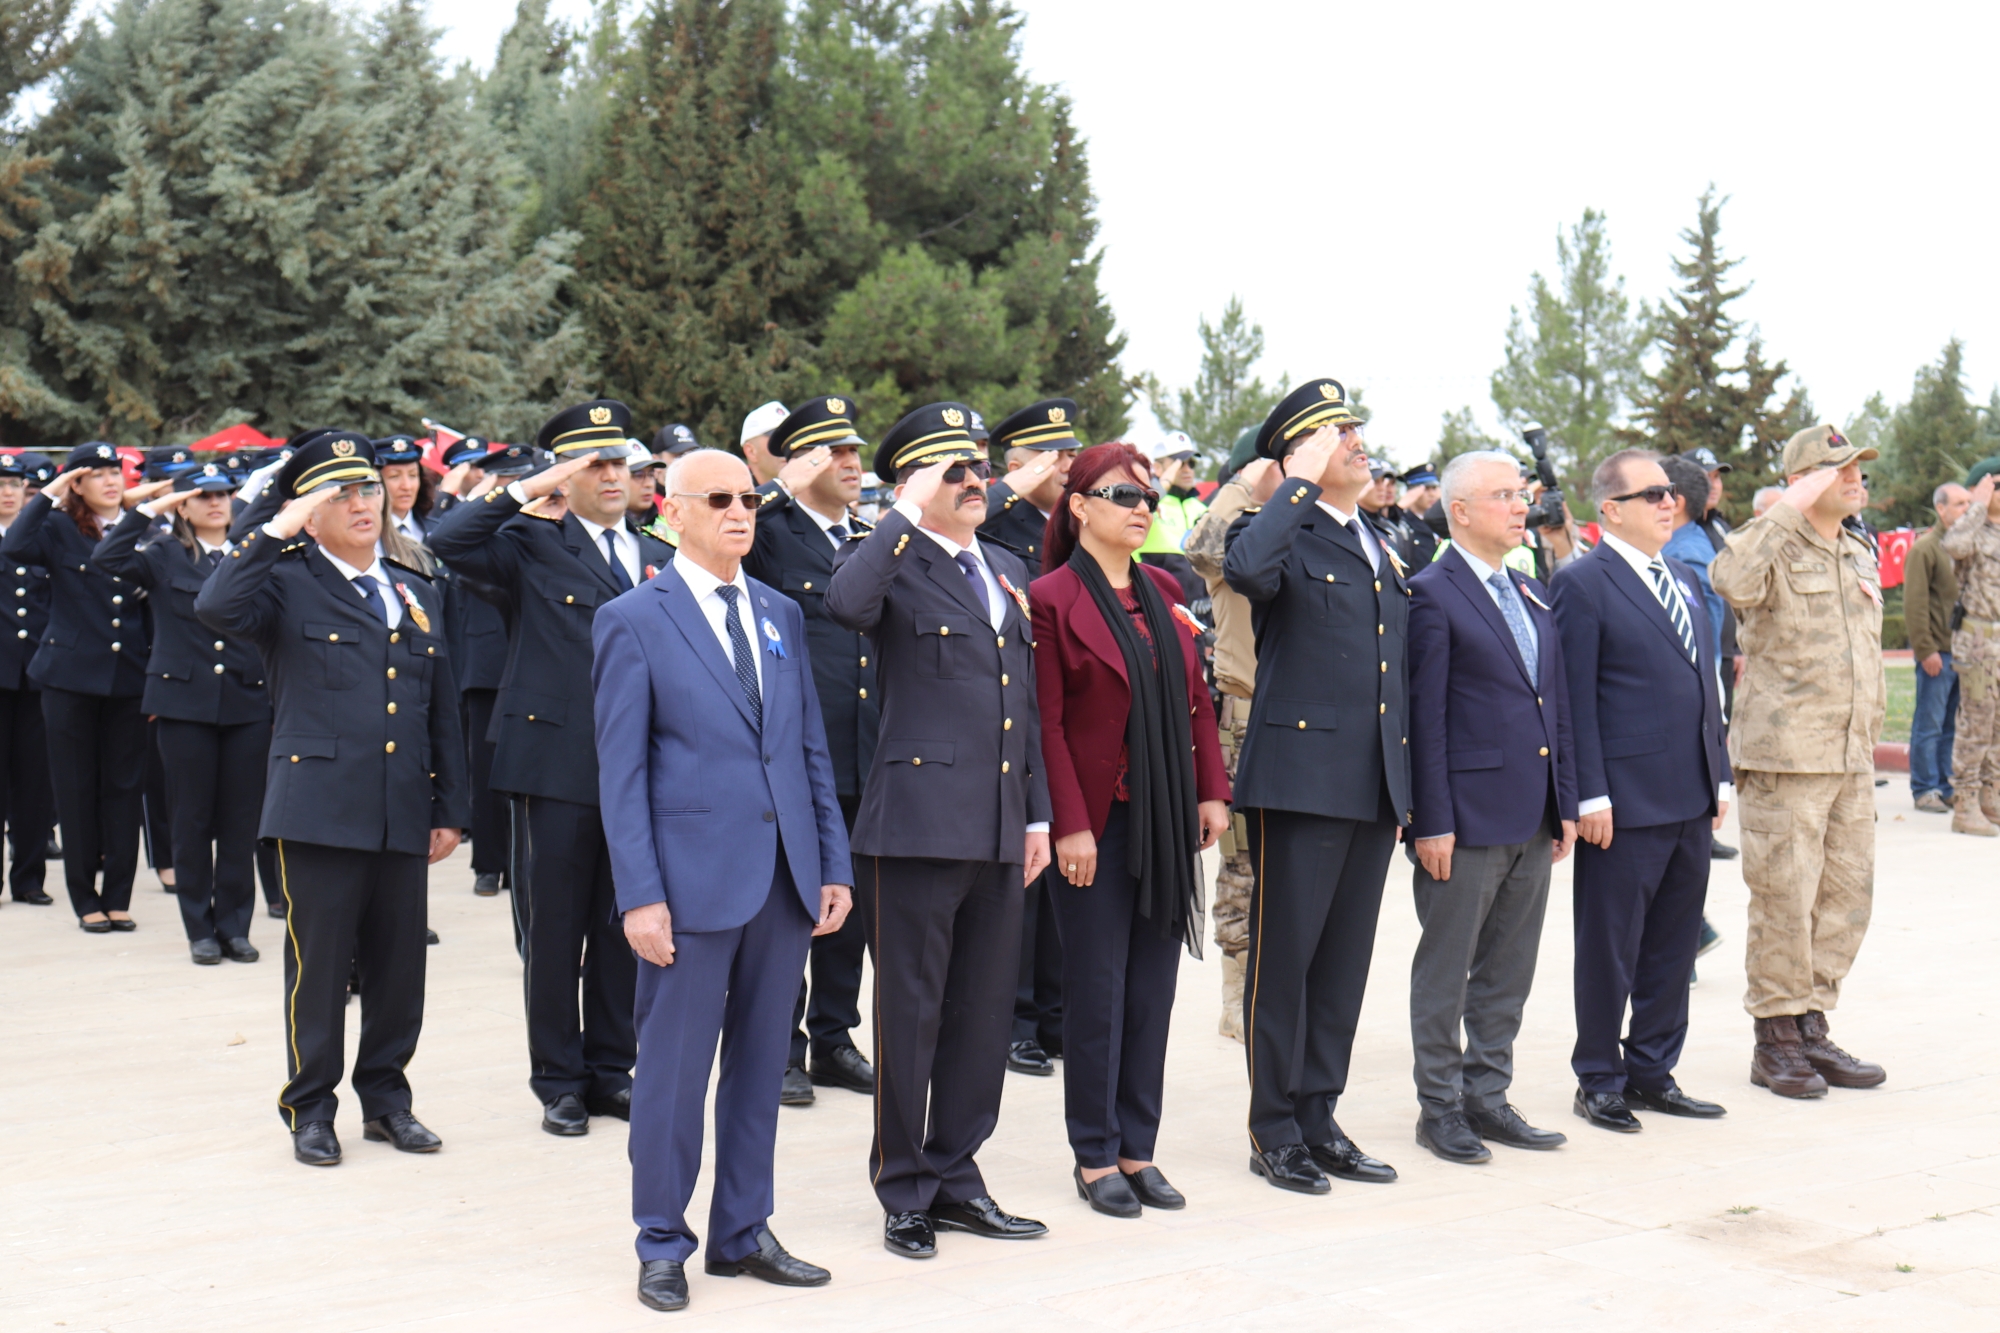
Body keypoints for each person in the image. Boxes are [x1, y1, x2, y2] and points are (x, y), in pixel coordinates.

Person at [593, 447, 848, 1314]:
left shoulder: (778, 609)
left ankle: (744, 1229)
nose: (741, 512)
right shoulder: (633, 619)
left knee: (760, 1067)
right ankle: (662, 1239)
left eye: (748, 499)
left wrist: (830, 862)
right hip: (689, 887)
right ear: (673, 511)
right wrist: (640, 894)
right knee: (670, 1073)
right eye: (720, 499)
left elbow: (808, 747)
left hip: (781, 882)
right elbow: (620, 774)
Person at [194, 431, 468, 1165]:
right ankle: (310, 1107)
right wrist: (275, 527)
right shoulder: (282, 580)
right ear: (307, 513)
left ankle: (387, 1099)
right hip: (318, 806)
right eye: (337, 493)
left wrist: (451, 805)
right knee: (319, 970)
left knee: (398, 966)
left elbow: (440, 704)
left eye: (368, 488)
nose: (360, 503)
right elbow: (216, 606)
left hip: (402, 806)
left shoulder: (413, 588)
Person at [824, 402, 1052, 1260]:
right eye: (950, 468)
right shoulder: (883, 555)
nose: (973, 480)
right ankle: (905, 1186)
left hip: (997, 825)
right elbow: (847, 605)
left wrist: (1036, 811)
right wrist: (904, 512)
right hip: (916, 825)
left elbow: (1020, 704)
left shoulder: (1000, 564)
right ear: (912, 481)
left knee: (983, 1013)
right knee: (911, 1014)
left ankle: (959, 1176)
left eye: (978, 465)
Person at [430, 401, 672, 1136]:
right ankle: (559, 1079)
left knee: (623, 923)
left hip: (645, 767)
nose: (609, 474)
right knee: (555, 927)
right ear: (561, 473)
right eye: (591, 462)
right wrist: (528, 488)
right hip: (556, 762)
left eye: (617, 460)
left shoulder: (654, 544)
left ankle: (610, 1069)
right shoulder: (527, 541)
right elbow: (447, 538)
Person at [1032, 442, 1231, 1218]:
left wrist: (1210, 790)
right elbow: (1045, 724)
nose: (1142, 506)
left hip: (1166, 815)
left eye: (1147, 494)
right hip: (1096, 823)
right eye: (1122, 494)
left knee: (1152, 989)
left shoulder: (1164, 585)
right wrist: (1070, 824)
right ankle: (1092, 1153)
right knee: (1097, 991)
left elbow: (1196, 701)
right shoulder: (1048, 596)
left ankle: (1137, 1147)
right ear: (1079, 506)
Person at [1221, 378, 1407, 1195]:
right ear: (1300, 451)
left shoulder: (1376, 537)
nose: (1357, 443)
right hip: (1301, 779)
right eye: (1338, 433)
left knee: (1343, 962)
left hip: (1372, 780)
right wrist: (1294, 479)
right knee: (1285, 958)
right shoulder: (1281, 530)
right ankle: (1274, 1127)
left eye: (1356, 431)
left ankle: (1320, 1113)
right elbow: (1245, 570)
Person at [1552, 449, 1733, 1132]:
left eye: (1670, 493)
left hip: (1688, 792)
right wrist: (1588, 794)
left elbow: (1705, 688)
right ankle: (1599, 1076)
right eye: (1650, 492)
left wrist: (1717, 771)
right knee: (1611, 945)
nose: (1668, 502)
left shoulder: (1685, 577)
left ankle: (1653, 1069)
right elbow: (1573, 700)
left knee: (1673, 941)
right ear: (1610, 509)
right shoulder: (1584, 583)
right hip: (1621, 803)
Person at [1405, 451, 1577, 1163]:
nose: (1520, 504)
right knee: (1449, 968)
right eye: (1503, 494)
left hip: (1532, 812)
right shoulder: (1431, 593)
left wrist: (1564, 799)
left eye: (1522, 492)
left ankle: (1489, 1094)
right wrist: (1431, 819)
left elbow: (1555, 704)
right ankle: (1439, 1105)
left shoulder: (1531, 590)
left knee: (1510, 966)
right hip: (1466, 816)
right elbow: (1424, 719)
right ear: (1461, 510)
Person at [1711, 424, 1887, 1098]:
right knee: (1786, 897)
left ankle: (1812, 1022)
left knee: (1845, 896)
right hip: (1787, 755)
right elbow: (1729, 577)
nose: (1856, 479)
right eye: (1840, 469)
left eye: (1859, 469)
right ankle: (1776, 1037)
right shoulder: (1772, 544)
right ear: (1806, 479)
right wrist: (1788, 504)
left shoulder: (1854, 549)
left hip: (1847, 755)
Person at [745, 396, 879, 1106]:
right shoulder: (768, 529)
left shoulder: (868, 535)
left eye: (855, 453)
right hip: (792, 749)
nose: (852, 465)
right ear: (798, 463)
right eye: (835, 454)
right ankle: (779, 1045)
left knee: (845, 906)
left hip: (860, 749)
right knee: (791, 907)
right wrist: (776, 487)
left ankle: (833, 1037)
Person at [92, 463, 270, 965]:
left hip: (247, 701)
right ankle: (200, 927)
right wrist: (149, 507)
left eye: (223, 494)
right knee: (191, 819)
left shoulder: (249, 553)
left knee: (240, 822)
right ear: (184, 506)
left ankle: (235, 926)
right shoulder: (164, 554)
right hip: (183, 703)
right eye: (202, 495)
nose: (216, 502)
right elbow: (107, 556)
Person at [1, 443, 151, 932]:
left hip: (128, 676)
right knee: (75, 788)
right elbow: (14, 545)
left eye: (116, 472)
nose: (111, 481)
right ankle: (85, 897)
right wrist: (50, 491)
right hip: (68, 679)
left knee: (124, 788)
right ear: (78, 485)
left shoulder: (142, 528)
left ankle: (119, 895)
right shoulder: (59, 528)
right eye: (97, 474)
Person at [979, 400, 1075, 1077]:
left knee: (1064, 873)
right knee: (1022, 878)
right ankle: (1012, 1019)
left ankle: (1053, 1012)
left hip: (1064, 709)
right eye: (1054, 455)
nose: (1069, 466)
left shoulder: (1067, 526)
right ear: (1016, 465)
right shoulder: (994, 519)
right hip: (1011, 712)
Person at [1183, 434, 1278, 1041]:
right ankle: (1238, 996)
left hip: (1306, 722)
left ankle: (1277, 993)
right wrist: (1246, 482)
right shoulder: (1235, 539)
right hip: (1245, 717)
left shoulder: (1294, 531)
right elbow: (1198, 544)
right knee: (1244, 862)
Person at [432, 435, 513, 898]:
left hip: (520, 659)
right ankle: (487, 862)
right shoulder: (472, 522)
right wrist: (463, 496)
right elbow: (443, 542)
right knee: (482, 769)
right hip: (481, 663)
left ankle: (509, 854)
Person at [0, 453, 53, 906]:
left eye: (15, 484)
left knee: (35, 781)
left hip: (36, 675)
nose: (7, 491)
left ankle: (29, 877)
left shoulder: (41, 538)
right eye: (0, 484)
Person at [1905, 482, 1970, 814]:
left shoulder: (1964, 547)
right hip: (1938, 653)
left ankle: (1944, 785)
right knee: (1928, 723)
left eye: (1969, 503)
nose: (1966, 509)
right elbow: (1915, 604)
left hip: (1964, 652)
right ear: (1941, 509)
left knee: (1951, 724)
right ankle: (1924, 787)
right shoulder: (1926, 549)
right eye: (1959, 503)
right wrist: (1925, 649)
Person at [374, 435, 435, 545]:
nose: (407, 486)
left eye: (413, 475)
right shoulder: (366, 536)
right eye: (394, 476)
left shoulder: (435, 531)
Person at [740, 400, 789, 486]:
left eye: (790, 437)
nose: (787, 446)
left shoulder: (808, 492)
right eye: (776, 439)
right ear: (751, 451)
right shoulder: (735, 494)